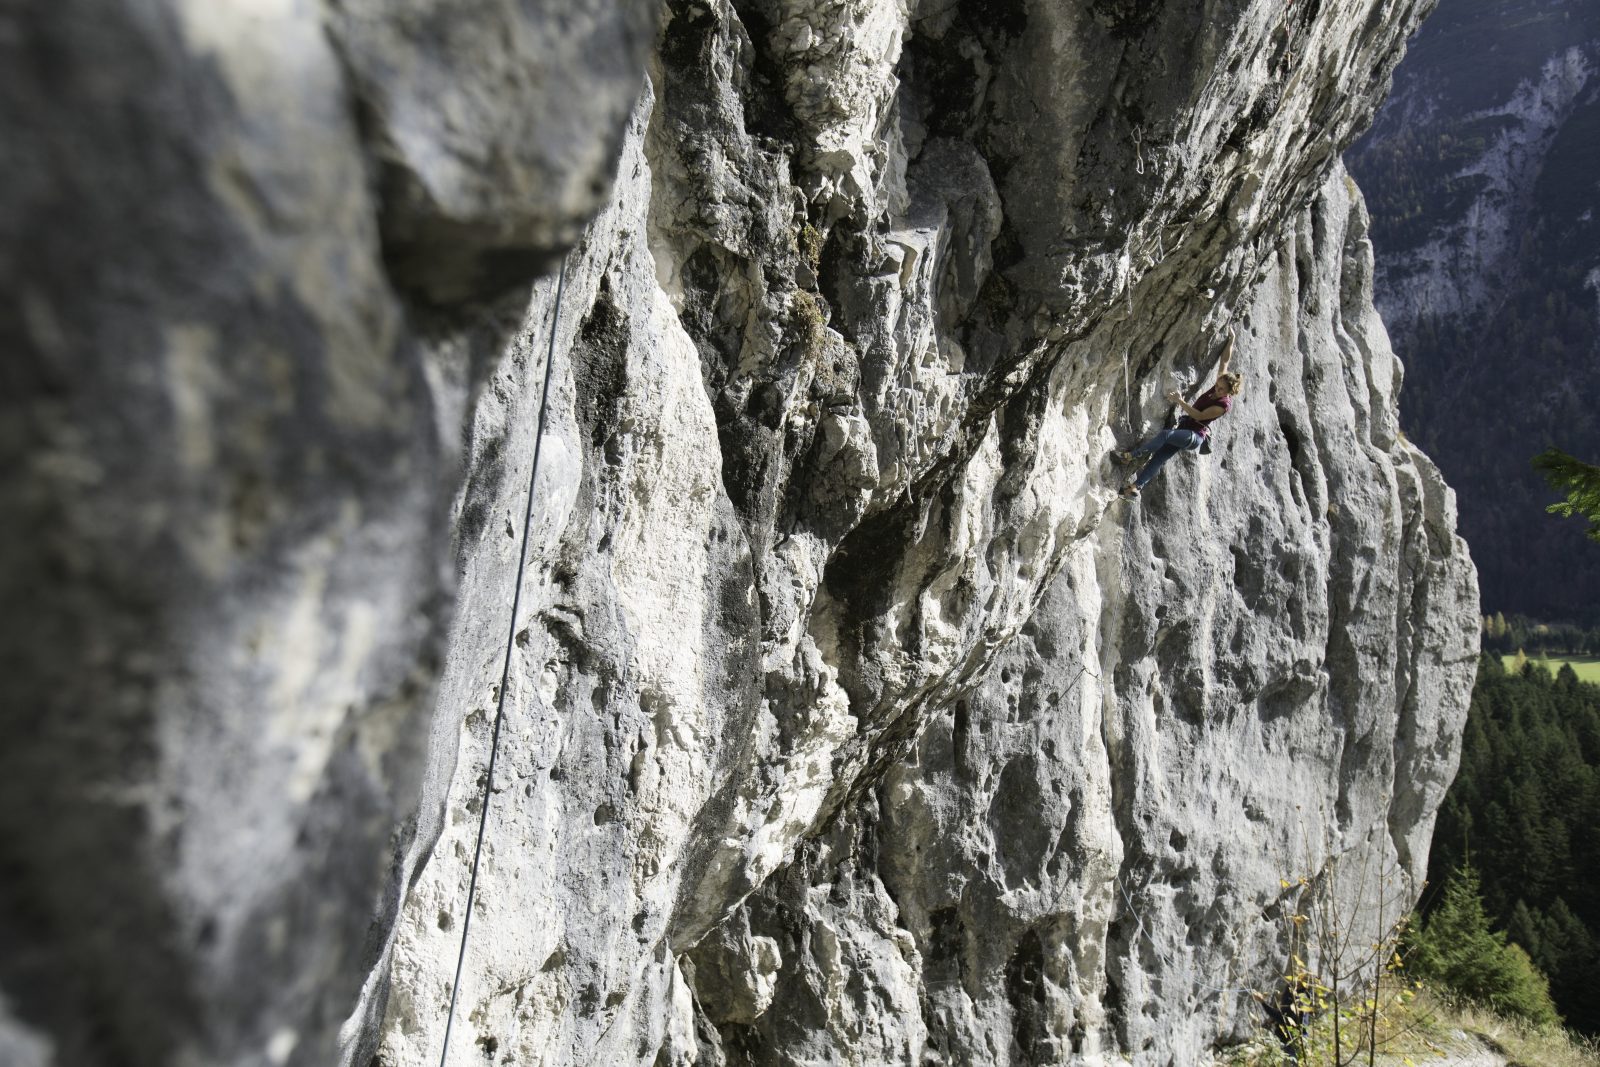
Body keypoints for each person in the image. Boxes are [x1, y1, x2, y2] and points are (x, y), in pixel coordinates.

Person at [1114, 326, 1241, 499]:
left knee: (1166, 435)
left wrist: (1180, 401)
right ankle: (1134, 488)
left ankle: (1131, 456)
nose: (1217, 390)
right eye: (1218, 386)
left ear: (1228, 392)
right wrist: (1231, 340)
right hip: (1185, 428)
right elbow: (1225, 361)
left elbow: (1199, 416)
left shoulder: (1223, 404)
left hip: (1194, 436)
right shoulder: (1221, 382)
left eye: (1221, 390)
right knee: (1159, 458)